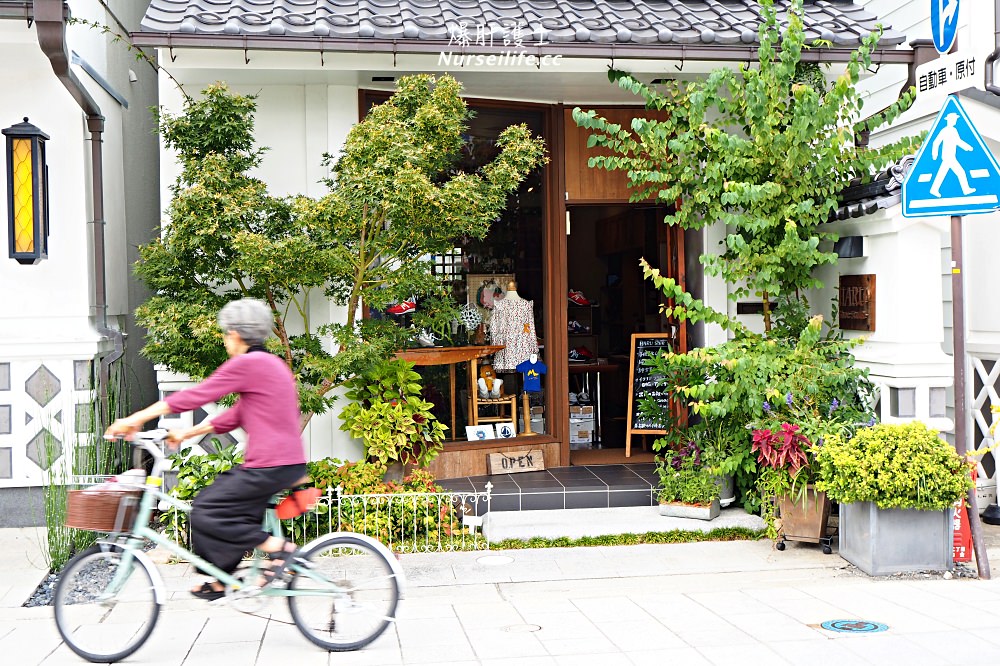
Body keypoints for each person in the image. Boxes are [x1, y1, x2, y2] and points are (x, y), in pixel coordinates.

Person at [105, 298, 307, 601]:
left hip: (269, 465)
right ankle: (216, 579)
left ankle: (281, 551)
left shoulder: (249, 363)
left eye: (226, 333)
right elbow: (236, 414)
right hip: (280, 464)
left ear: (236, 334)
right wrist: (189, 431)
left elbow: (196, 395)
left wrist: (132, 419)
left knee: (206, 510)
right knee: (226, 513)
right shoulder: (270, 364)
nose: (226, 340)